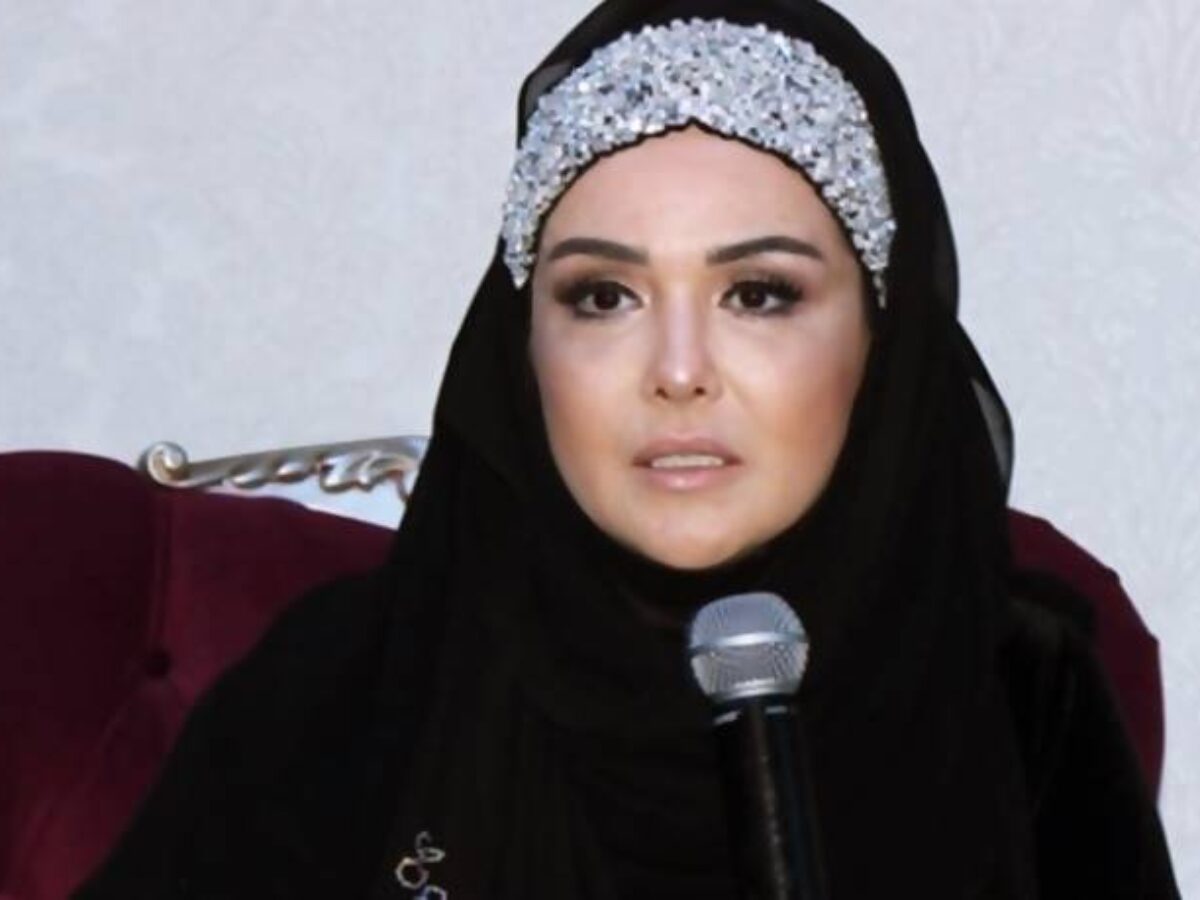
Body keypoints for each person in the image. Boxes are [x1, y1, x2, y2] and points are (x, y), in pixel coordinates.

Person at [75, 1, 1181, 897]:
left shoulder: (1022, 695)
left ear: (878, 346)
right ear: (524, 351)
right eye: (603, 295)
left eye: (759, 293)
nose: (679, 369)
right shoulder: (338, 692)